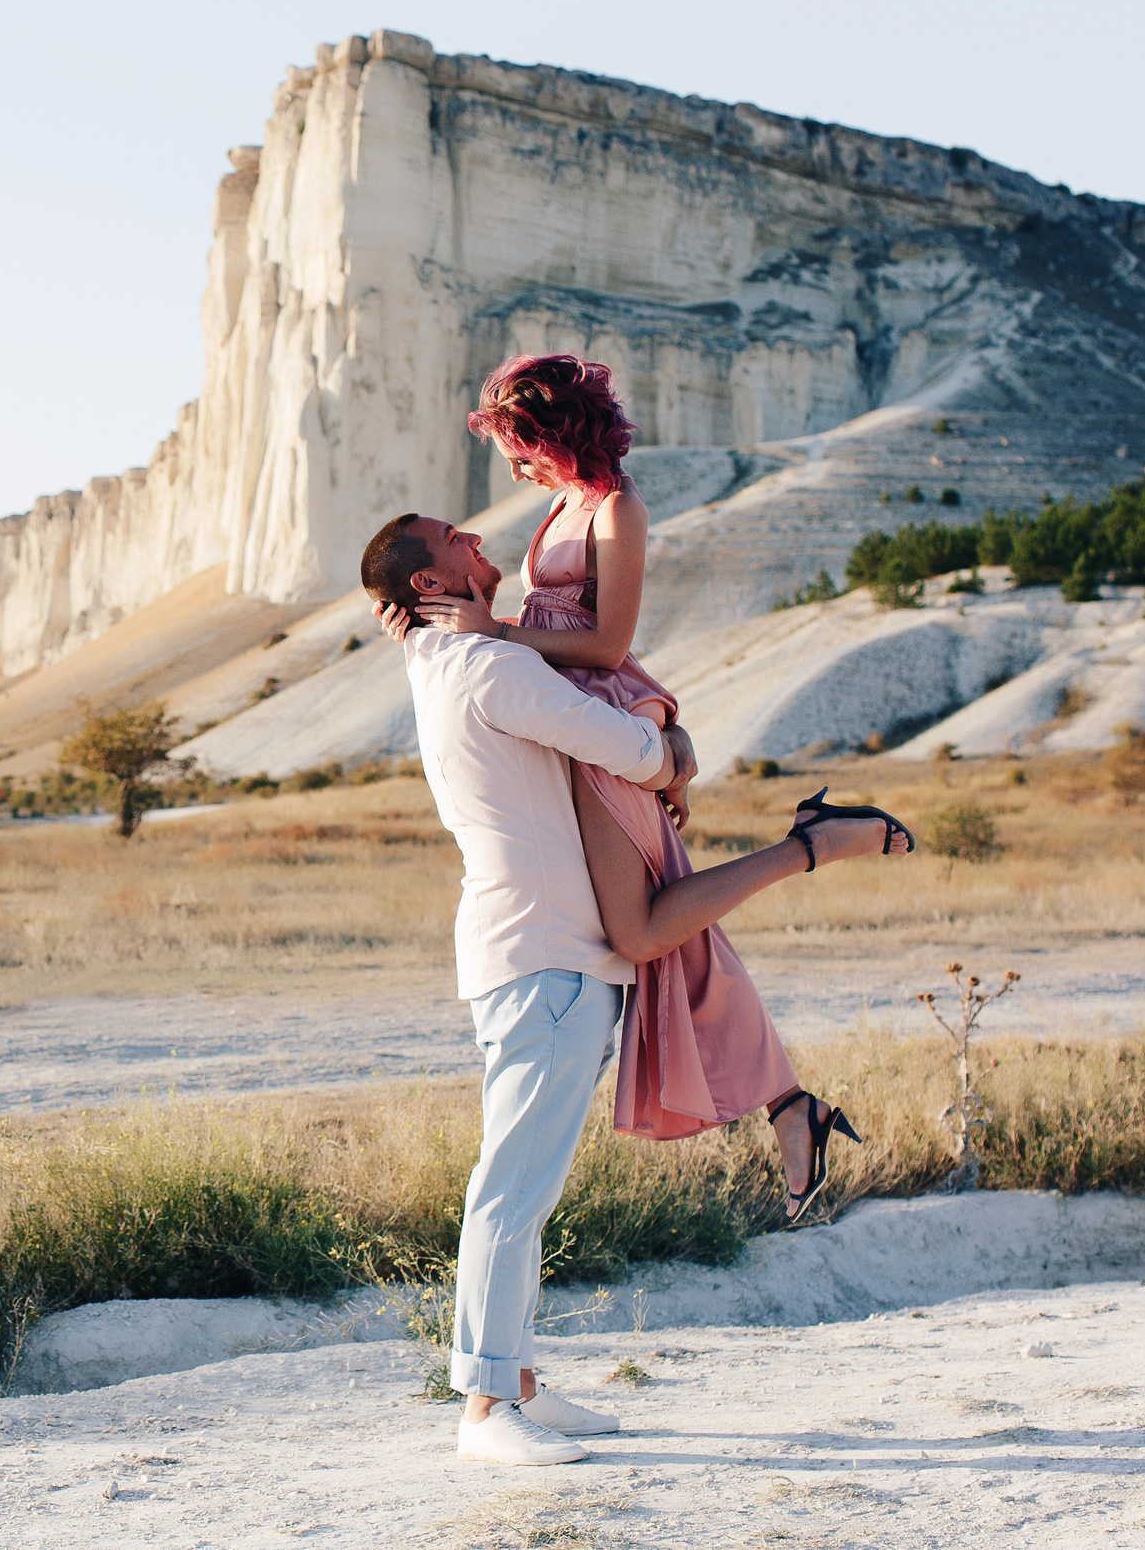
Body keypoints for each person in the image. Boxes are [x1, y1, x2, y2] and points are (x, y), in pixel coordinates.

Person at [362, 508, 909, 1466]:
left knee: (526, 1185)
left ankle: (519, 1380)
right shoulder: (488, 669)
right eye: (458, 541)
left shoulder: (448, 665)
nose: (482, 542)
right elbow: (622, 747)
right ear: (430, 585)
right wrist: (673, 745)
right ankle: (487, 1409)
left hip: (543, 958)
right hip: (545, 961)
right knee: (510, 1189)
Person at [377, 354, 909, 1223]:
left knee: (642, 929)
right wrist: (418, 609)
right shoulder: (559, 505)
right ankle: (790, 1108)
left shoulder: (618, 508)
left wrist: (498, 631)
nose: (511, 470)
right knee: (676, 936)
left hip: (599, 718)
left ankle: (812, 845)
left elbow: (607, 643)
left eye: (518, 448)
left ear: (554, 433)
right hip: (573, 723)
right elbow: (494, 621)